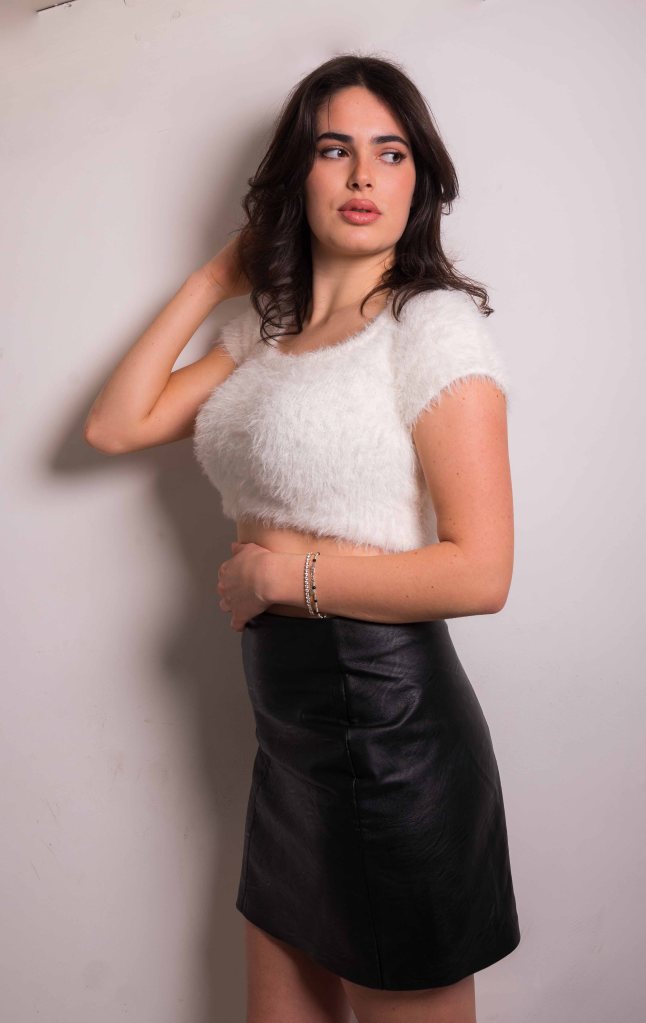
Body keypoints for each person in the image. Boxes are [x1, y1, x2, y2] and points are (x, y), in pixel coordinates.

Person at [84, 53, 521, 1023]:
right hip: (289, 742)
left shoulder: (431, 327)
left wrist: (287, 579)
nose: (364, 175)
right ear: (300, 173)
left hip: (392, 736)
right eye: (335, 150)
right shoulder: (266, 332)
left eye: (391, 153)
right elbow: (115, 426)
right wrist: (214, 277)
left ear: (419, 180)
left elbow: (482, 570)